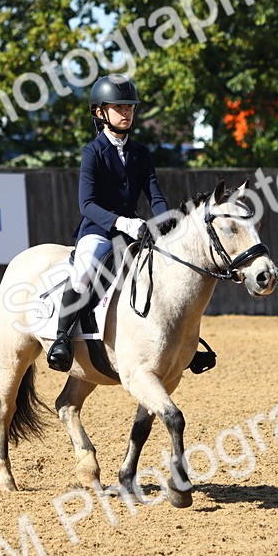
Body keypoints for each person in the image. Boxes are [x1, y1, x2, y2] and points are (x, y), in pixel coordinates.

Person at [46, 74, 169, 372]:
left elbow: (154, 195)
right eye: (119, 107)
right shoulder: (92, 152)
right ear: (100, 112)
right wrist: (123, 223)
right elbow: (86, 205)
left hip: (134, 234)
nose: (127, 112)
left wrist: (166, 220)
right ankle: (61, 339)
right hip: (99, 231)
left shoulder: (141, 153)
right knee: (85, 270)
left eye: (130, 107)